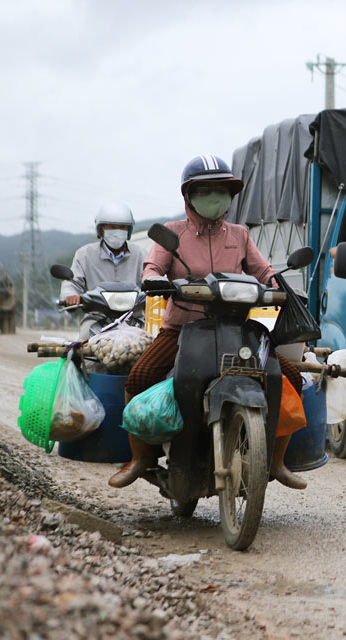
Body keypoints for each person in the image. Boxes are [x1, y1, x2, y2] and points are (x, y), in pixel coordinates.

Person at [108, 154, 308, 491]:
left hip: (239, 329)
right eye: (205, 190)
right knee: (140, 376)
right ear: (188, 196)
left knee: (290, 378)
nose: (214, 197)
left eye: (221, 190)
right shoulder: (172, 234)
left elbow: (263, 271)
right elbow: (152, 268)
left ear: (230, 196)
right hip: (182, 329)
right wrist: (155, 279)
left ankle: (275, 460)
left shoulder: (240, 235)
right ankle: (141, 456)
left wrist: (278, 285)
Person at [60, 203, 145, 339]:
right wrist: (70, 295)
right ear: (101, 230)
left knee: (153, 349)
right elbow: (73, 282)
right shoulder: (85, 254)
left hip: (135, 319)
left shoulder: (141, 254)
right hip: (96, 318)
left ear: (128, 231)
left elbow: (152, 278)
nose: (117, 231)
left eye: (122, 227)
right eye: (111, 227)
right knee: (83, 347)